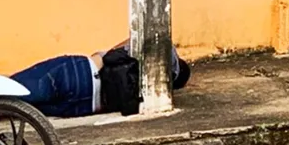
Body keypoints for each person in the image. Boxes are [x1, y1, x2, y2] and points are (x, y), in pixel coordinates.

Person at [10, 42, 191, 118]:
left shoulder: (161, 45)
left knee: (6, 90)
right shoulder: (154, 93)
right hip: (85, 106)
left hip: (81, 73)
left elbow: (111, 54)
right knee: (10, 109)